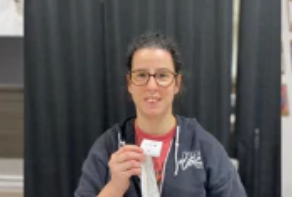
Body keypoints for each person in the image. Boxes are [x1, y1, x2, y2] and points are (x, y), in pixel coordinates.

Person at [76, 34, 246, 197]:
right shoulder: (108, 147)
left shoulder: (203, 147)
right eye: (141, 75)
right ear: (130, 84)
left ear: (177, 83)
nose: (151, 85)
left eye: (162, 75)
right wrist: (115, 187)